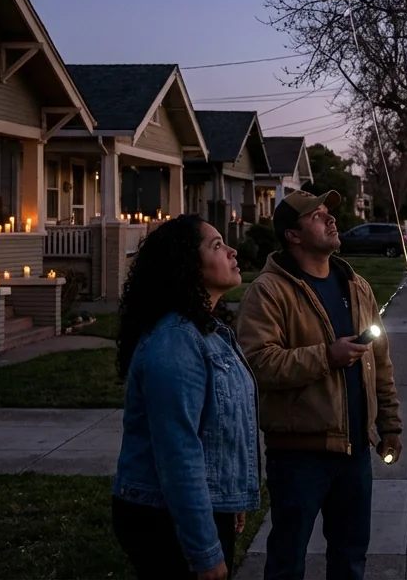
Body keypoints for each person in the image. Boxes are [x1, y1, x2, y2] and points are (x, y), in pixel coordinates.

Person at [236, 190, 403, 580]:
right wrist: (325, 357)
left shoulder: (355, 284)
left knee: (350, 558)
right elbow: (256, 363)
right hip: (299, 456)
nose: (330, 220)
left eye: (329, 212)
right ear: (293, 235)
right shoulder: (268, 291)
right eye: (317, 216)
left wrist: (390, 424)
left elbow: (379, 360)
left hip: (356, 452)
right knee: (287, 560)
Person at [112, 215, 260, 580]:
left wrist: (230, 493)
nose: (231, 250)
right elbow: (178, 455)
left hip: (203, 506)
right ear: (187, 265)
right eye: (216, 245)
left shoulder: (209, 332)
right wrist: (205, 551)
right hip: (162, 517)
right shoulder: (176, 342)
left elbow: (221, 427)